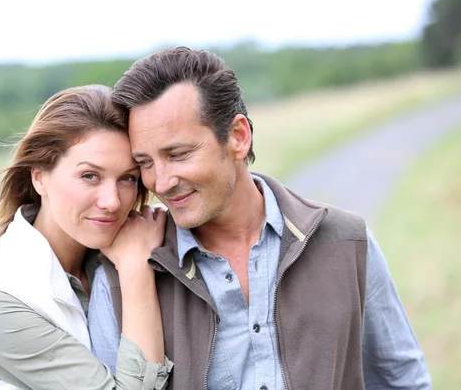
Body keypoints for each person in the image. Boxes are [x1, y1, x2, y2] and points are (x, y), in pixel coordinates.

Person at [89, 47, 432, 389]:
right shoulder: (122, 278)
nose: (160, 182)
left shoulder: (346, 242)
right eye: (145, 163)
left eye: (177, 154)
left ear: (238, 137)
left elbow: (402, 380)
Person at [0, 85, 173, 390]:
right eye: (89, 176)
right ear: (39, 177)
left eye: (127, 178)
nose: (112, 201)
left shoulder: (110, 252)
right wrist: (136, 269)